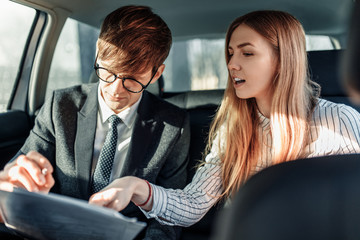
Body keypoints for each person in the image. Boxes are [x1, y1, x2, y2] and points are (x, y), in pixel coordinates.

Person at [88, 10, 360, 227]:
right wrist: (135, 186)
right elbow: (192, 205)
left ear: (283, 59)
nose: (231, 64)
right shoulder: (234, 128)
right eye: (230, 53)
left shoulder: (339, 121)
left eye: (247, 53)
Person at [0, 5, 190, 240]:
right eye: (108, 72)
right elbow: (18, 176)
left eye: (132, 79)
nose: (115, 90)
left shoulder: (174, 126)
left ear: (156, 73)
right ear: (98, 56)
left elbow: (168, 217)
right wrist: (14, 184)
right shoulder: (60, 105)